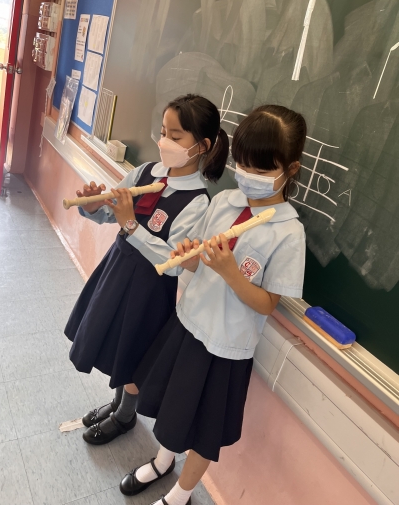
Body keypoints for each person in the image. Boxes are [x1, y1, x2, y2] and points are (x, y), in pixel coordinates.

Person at [120, 105, 307, 505]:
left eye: (261, 168)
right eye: (244, 163)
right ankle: (163, 462)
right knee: (173, 407)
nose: (248, 174)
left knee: (202, 427)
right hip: (188, 322)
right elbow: (196, 263)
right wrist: (187, 255)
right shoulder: (224, 202)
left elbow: (267, 304)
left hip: (226, 347)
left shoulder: (289, 233)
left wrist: (232, 273)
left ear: (290, 169)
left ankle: (181, 494)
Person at [64, 94, 229, 445]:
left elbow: (173, 264)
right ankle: (117, 403)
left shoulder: (198, 202)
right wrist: (94, 206)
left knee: (133, 353)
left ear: (202, 146)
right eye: (164, 132)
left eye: (176, 136)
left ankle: (125, 416)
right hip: (117, 269)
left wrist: (131, 226)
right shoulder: (145, 172)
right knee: (114, 341)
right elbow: (112, 210)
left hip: (150, 290)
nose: (164, 141)